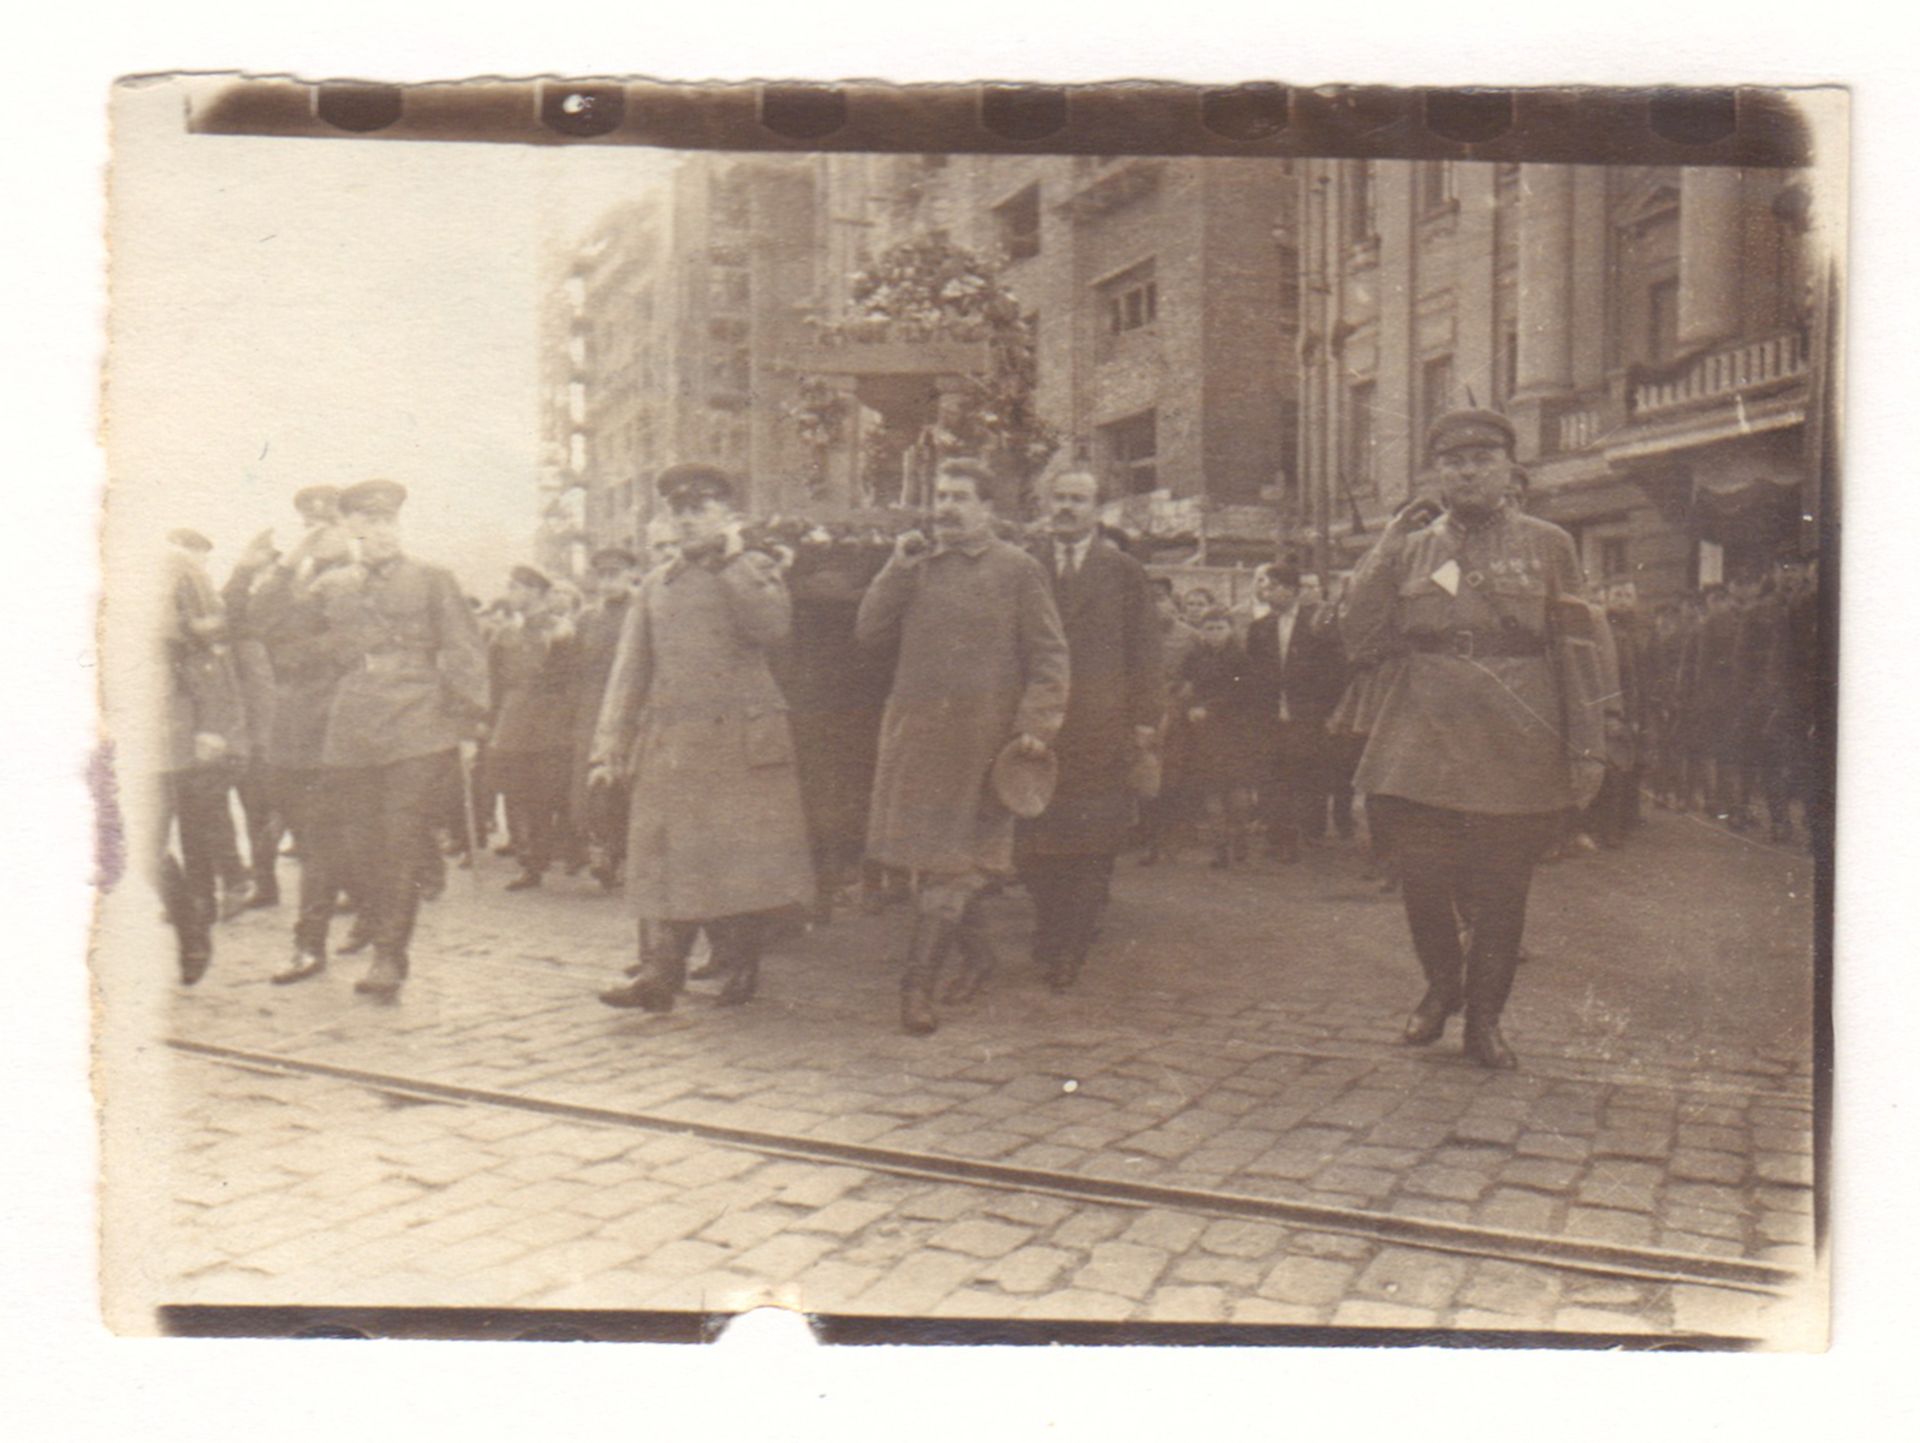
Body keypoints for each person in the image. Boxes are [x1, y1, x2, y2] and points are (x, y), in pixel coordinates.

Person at [1342, 408, 1589, 1070]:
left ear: (1510, 471)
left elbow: (1582, 648)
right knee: (1422, 882)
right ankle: (1442, 984)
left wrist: (1589, 743)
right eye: (1453, 461)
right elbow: (1359, 634)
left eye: (1482, 459)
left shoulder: (1548, 544)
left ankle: (1484, 1019)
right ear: (1435, 473)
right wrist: (1387, 544)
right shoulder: (1415, 549)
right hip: (1424, 740)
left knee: (1504, 894)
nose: (1467, 470)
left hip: (1517, 740)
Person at [856, 456, 1070, 1035]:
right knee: (935, 865)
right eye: (940, 494)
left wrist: (1036, 726)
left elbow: (1050, 656)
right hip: (918, 738)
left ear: (987, 508)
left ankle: (914, 990)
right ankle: (978, 957)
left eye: (959, 496)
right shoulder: (917, 565)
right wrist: (896, 569)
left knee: (952, 868)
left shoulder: (1018, 569)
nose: (945, 506)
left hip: (982, 743)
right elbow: (869, 631)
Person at [593, 463, 815, 1012]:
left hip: (739, 740)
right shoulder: (655, 584)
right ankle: (659, 975)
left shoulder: (753, 567)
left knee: (736, 860)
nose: (688, 520)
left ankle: (742, 965)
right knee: (662, 858)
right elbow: (629, 673)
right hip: (672, 744)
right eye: (680, 511)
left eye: (701, 509)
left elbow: (771, 627)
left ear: (726, 514)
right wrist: (609, 748)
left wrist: (735, 558)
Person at [317, 479, 489, 999]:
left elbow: (464, 648)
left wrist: (469, 722)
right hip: (354, 722)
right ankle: (379, 931)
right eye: (368, 523)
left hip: (418, 719)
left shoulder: (432, 578)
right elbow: (280, 634)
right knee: (356, 841)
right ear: (348, 528)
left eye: (388, 521)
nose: (381, 532)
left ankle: (391, 954)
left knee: (401, 840)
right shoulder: (333, 585)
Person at [1015, 469, 1163, 992]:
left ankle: (1069, 947)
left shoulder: (1122, 571)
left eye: (1078, 500)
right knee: (1034, 843)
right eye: (1059, 498)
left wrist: (1145, 721)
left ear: (1098, 509)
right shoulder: (1025, 564)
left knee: (1091, 844)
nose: (1066, 508)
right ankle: (1052, 927)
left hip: (1102, 727)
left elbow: (1146, 650)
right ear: (1045, 502)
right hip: (1038, 725)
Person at [244, 488, 360, 984]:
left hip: (340, 730)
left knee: (323, 839)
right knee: (317, 837)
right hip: (293, 731)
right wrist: (291, 563)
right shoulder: (297, 581)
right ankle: (363, 914)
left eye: (325, 522)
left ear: (345, 525)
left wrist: (294, 644)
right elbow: (259, 619)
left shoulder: (360, 581)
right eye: (307, 525)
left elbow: (344, 645)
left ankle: (310, 945)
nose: (316, 532)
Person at [154, 531, 246, 983]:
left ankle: (193, 929)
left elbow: (211, 645)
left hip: (168, 725)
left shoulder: (174, 565)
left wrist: (212, 723)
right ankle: (191, 919)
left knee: (154, 839)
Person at [1244, 561, 1347, 862]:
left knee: (1304, 775)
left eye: (1271, 586)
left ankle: (1306, 835)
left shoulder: (1319, 624)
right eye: (1263, 586)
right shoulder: (1259, 628)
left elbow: (1335, 671)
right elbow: (1253, 675)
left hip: (1308, 714)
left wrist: (1327, 712)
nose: (1265, 592)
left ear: (1290, 590)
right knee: (1273, 778)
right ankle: (1280, 839)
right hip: (1271, 716)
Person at [489, 564, 579, 891]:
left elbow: (572, 681)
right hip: (512, 724)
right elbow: (494, 681)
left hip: (549, 725)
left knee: (546, 795)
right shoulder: (505, 633)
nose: (510, 594)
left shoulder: (562, 631)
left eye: (516, 587)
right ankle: (530, 862)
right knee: (516, 794)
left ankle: (552, 854)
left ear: (535, 592)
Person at [569, 545, 639, 889]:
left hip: (632, 706)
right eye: (602, 576)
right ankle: (603, 850)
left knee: (629, 779)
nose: (608, 583)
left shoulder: (642, 610)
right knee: (593, 782)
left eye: (616, 575)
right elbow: (575, 668)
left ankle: (629, 852)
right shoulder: (586, 619)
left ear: (630, 575)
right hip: (593, 707)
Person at [1180, 608, 1262, 869]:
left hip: (1234, 730)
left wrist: (1210, 707)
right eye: (1209, 628)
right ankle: (1220, 847)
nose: (1214, 634)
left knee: (1236, 789)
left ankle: (1240, 840)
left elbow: (1241, 692)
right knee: (1210, 789)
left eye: (1220, 628)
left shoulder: (1240, 658)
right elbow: (1184, 684)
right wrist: (1190, 703)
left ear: (1231, 629)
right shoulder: (1194, 656)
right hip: (1203, 732)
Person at [1139, 578, 1203, 865]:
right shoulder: (1137, 635)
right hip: (1144, 714)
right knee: (1145, 775)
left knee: (1174, 777)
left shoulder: (1190, 636)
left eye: (1161, 598)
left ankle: (1172, 839)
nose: (1157, 605)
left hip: (1177, 716)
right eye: (1150, 599)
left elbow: (1199, 676)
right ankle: (1147, 838)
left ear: (1172, 600)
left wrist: (1183, 698)